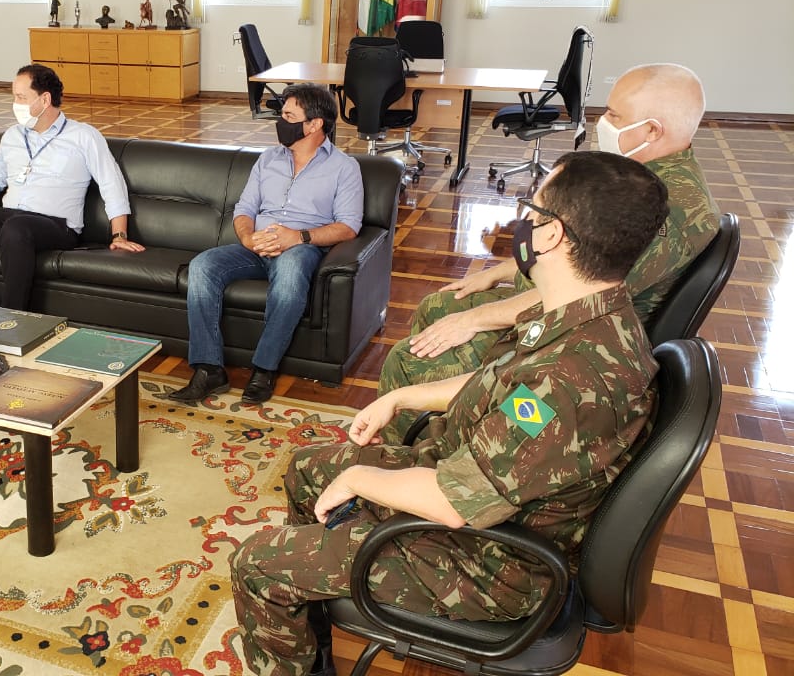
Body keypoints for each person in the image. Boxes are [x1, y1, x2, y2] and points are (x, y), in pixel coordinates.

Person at [230, 151, 670, 676]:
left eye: (531, 209)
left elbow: (452, 501)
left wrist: (358, 478)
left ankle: (298, 614)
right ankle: (311, 625)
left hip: (489, 563)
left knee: (257, 562)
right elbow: (501, 384)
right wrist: (401, 397)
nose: (522, 222)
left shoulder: (569, 380)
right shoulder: (586, 315)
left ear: (552, 235)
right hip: (471, 489)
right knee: (307, 469)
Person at [374, 62, 720, 443]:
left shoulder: (666, 212)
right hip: (564, 310)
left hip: (572, 335)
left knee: (406, 360)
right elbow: (577, 249)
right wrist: (498, 273)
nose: (602, 123)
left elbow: (585, 295)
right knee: (440, 305)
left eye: (614, 115)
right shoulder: (643, 177)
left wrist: (473, 320)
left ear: (652, 130)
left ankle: (407, 452)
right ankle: (440, 428)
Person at [167, 84, 362, 406]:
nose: (280, 122)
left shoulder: (344, 167)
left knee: (290, 276)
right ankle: (208, 368)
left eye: (289, 116)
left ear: (314, 124)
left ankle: (264, 369)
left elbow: (348, 226)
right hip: (254, 247)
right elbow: (244, 209)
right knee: (202, 266)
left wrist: (297, 237)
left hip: (300, 248)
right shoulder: (268, 159)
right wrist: (248, 238)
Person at [0, 64, 144, 311]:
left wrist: (119, 235)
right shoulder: (12, 136)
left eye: (21, 97)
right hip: (9, 217)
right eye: (14, 97)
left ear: (44, 99)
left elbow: (112, 184)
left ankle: (11, 318)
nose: (15, 104)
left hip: (57, 225)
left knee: (16, 228)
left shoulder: (83, 136)